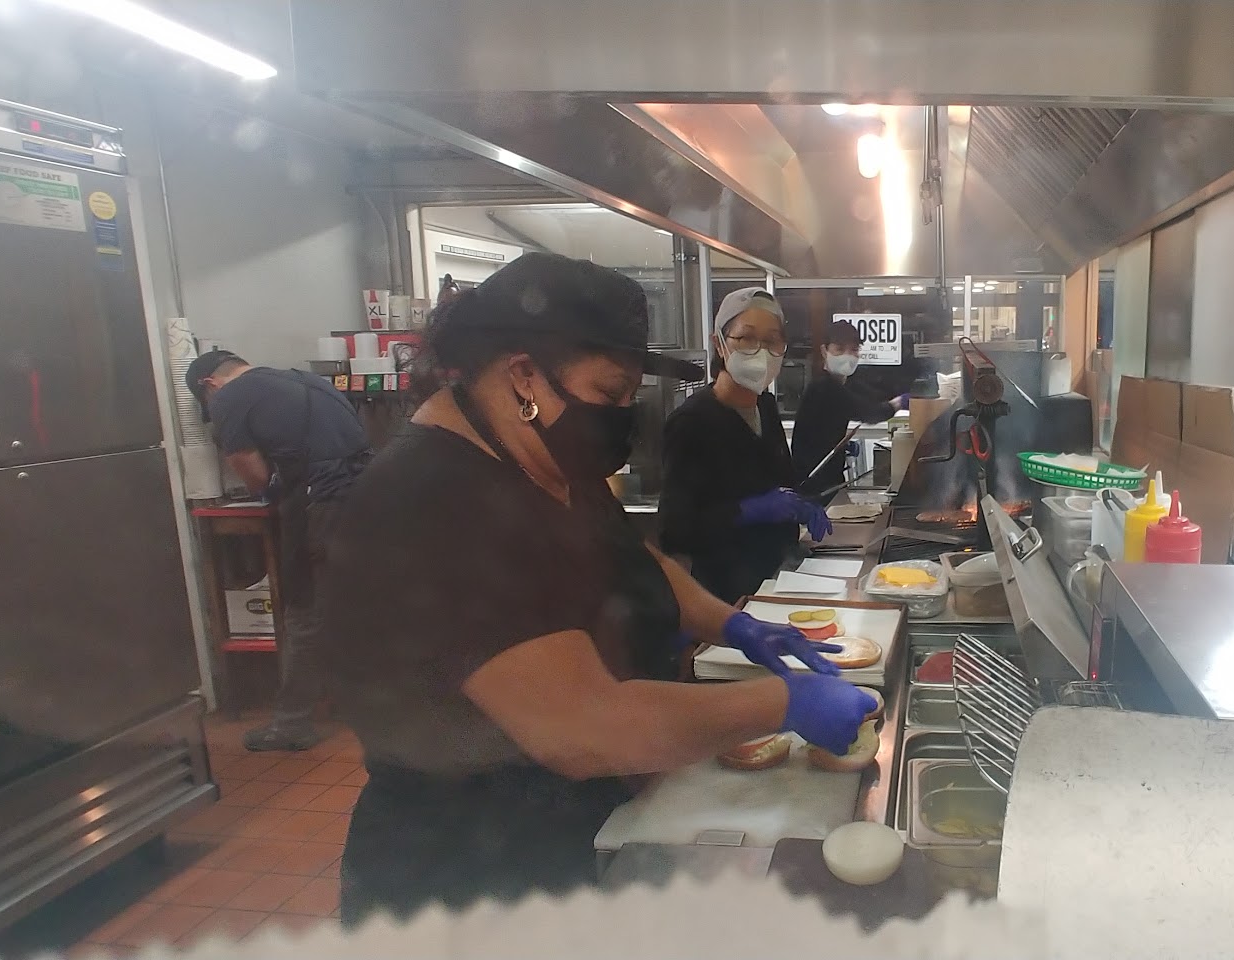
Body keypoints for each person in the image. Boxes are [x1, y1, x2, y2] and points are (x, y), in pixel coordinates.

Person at [321, 253, 872, 923]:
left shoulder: (541, 459)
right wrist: (782, 701)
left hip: (565, 834)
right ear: (523, 373)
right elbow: (585, 727)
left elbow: (632, 557)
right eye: (610, 394)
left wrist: (732, 624)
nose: (621, 416)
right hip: (463, 876)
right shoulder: (435, 502)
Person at [186, 348, 371, 752]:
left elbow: (253, 474)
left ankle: (291, 724)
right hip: (369, 498)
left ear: (209, 384)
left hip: (321, 503)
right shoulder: (306, 379)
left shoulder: (229, 396)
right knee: (361, 603)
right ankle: (381, 704)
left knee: (305, 612)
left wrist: (270, 488)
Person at [661, 287, 831, 603]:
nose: (760, 352)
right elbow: (675, 530)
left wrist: (801, 503)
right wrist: (747, 511)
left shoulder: (765, 406)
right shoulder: (692, 421)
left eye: (771, 341)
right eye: (747, 338)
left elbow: (781, 480)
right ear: (719, 344)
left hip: (777, 579)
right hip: (726, 597)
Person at [791, 320, 907, 505]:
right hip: (814, 486)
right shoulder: (824, 387)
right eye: (839, 349)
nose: (847, 356)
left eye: (853, 350)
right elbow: (870, 413)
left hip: (828, 481)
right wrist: (899, 403)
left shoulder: (842, 384)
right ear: (824, 351)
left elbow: (869, 398)